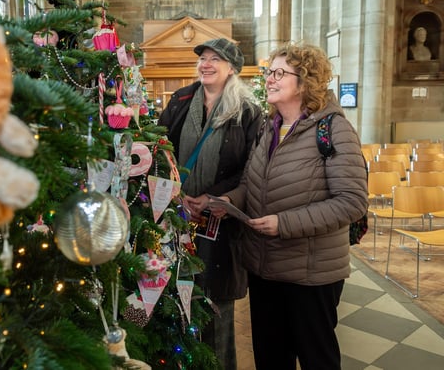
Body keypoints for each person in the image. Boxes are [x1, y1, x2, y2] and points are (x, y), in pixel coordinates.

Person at [209, 43, 368, 370]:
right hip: (264, 268)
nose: (269, 79)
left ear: (306, 81)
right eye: (269, 72)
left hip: (311, 273)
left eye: (280, 73)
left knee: (316, 358)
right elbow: (252, 186)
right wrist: (229, 201)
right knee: (270, 358)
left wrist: (284, 223)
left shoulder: (333, 129)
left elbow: (351, 202)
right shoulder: (269, 128)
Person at [158, 38, 262, 370]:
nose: (206, 63)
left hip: (221, 225)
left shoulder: (247, 111)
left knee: (216, 308)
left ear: (232, 68)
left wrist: (216, 197)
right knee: (172, 299)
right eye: (203, 58)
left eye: (215, 59)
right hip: (176, 219)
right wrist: (174, 192)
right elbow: (159, 149)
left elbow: (252, 168)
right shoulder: (180, 100)